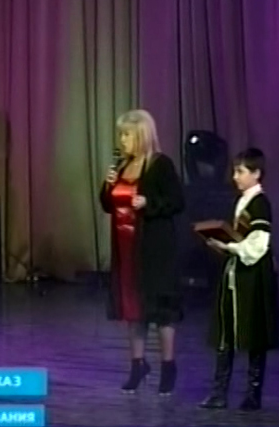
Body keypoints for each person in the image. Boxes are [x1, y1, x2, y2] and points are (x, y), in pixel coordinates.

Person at [99, 109, 185, 395]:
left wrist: (149, 202)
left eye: (127, 134)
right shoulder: (122, 165)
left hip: (154, 248)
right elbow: (108, 204)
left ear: (142, 135)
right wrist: (108, 185)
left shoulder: (160, 165)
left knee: (160, 310)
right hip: (126, 247)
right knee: (133, 308)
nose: (122, 140)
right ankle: (137, 365)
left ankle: (168, 367)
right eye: (121, 134)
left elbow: (177, 201)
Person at [198, 148, 279, 411]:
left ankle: (253, 394)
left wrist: (229, 246)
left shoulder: (260, 203)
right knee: (226, 331)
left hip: (253, 276)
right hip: (237, 273)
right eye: (235, 171)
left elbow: (257, 245)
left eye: (241, 171)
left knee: (254, 333)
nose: (235, 176)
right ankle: (219, 392)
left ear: (256, 174)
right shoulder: (243, 201)